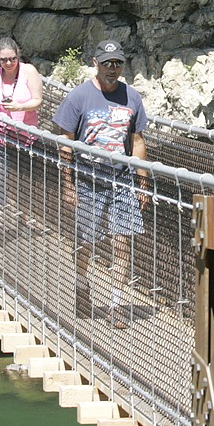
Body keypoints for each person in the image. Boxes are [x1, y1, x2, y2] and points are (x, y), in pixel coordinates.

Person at [52, 39, 150, 329]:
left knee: (122, 243)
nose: (112, 68)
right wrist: (67, 185)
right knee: (87, 242)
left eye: (117, 63)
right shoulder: (78, 97)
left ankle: (117, 304)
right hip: (87, 179)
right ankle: (82, 286)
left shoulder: (132, 97)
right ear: (95, 63)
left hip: (121, 180)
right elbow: (64, 144)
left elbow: (137, 140)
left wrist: (142, 182)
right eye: (107, 63)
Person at [0, 37, 44, 214]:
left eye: (12, 59)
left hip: (26, 138)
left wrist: (20, 106)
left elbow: (38, 101)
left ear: (18, 55)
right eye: (4, 60)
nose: (9, 63)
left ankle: (24, 214)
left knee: (25, 179)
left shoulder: (29, 71)